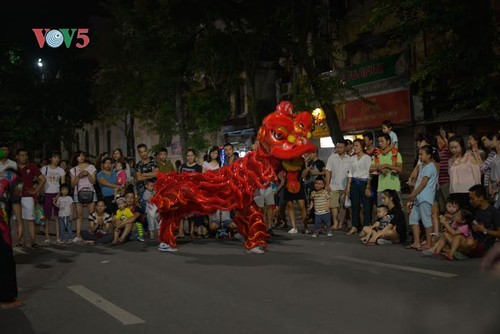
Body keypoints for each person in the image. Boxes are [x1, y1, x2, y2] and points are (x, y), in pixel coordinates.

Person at [0, 148, 23, 309]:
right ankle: (6, 298)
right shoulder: (12, 178)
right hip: (1, 227)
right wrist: (20, 223)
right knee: (5, 261)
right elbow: (15, 200)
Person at [406, 145, 439, 251]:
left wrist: (413, 194)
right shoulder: (423, 166)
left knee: (426, 220)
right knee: (413, 218)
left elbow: (423, 183)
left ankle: (429, 243)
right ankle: (417, 242)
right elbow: (417, 180)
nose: (420, 156)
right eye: (419, 154)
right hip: (419, 197)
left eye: (422, 154)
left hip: (425, 197)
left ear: (429, 155)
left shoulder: (430, 167)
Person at [16, 148, 46, 247]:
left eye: (25, 155)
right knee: (18, 220)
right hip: (16, 197)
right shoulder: (13, 167)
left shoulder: (32, 166)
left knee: (30, 220)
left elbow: (42, 179)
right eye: (21, 155)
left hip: (28, 198)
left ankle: (33, 242)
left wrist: (35, 191)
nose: (24, 157)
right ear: (17, 157)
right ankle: (20, 242)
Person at [345, 139, 372, 235]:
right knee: (355, 206)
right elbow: (350, 173)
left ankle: (366, 227)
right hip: (354, 183)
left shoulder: (367, 158)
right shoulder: (352, 158)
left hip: (364, 183)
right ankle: (355, 226)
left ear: (362, 147)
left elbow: (369, 174)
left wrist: (368, 187)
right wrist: (348, 187)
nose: (354, 148)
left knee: (366, 206)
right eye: (354, 146)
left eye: (357, 146)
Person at [70, 150, 97, 243]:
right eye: (79, 156)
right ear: (76, 158)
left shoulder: (91, 167)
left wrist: (88, 174)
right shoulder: (73, 169)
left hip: (91, 192)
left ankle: (92, 234)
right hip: (78, 193)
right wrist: (79, 176)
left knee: (92, 214)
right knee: (79, 215)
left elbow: (93, 182)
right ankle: (78, 236)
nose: (81, 157)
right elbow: (73, 184)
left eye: (82, 155)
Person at [448, 135, 481, 209]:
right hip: (454, 192)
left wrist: (477, 192)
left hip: (468, 192)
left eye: (455, 147)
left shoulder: (470, 156)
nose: (453, 150)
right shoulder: (450, 160)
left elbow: (477, 175)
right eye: (451, 148)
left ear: (461, 146)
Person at [370, 133, 403, 206]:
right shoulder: (377, 155)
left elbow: (400, 169)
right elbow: (370, 169)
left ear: (388, 141)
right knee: (381, 211)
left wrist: (386, 165)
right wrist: (379, 168)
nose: (380, 143)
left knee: (397, 210)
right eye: (378, 142)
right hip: (381, 188)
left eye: (382, 141)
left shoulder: (396, 154)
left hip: (394, 188)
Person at [40, 151, 66, 244]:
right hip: (47, 194)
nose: (57, 159)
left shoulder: (61, 170)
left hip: (57, 194)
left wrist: (59, 194)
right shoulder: (44, 168)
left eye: (58, 158)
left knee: (57, 217)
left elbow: (63, 184)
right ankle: (47, 238)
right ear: (50, 159)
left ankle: (58, 237)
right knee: (46, 216)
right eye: (55, 157)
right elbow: (40, 181)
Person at [325, 139, 351, 230]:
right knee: (333, 205)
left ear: (345, 148)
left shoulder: (349, 159)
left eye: (341, 147)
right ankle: (335, 222)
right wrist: (327, 184)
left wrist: (348, 186)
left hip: (344, 186)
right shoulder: (332, 158)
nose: (339, 149)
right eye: (338, 147)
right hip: (334, 185)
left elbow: (350, 174)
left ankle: (341, 222)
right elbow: (328, 171)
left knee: (343, 206)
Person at [468, 184, 500, 257]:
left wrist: (484, 230)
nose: (470, 201)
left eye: (472, 199)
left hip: (485, 245)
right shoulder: (474, 210)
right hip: (473, 240)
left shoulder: (494, 212)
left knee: (469, 244)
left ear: (481, 198)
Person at [180, 149, 204, 238]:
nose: (190, 157)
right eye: (188, 156)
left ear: (194, 156)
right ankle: (180, 231)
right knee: (182, 212)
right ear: (186, 157)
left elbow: (199, 181)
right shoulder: (182, 166)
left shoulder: (198, 167)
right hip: (183, 192)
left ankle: (191, 231)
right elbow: (179, 179)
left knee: (192, 212)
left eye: (191, 155)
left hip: (193, 192)